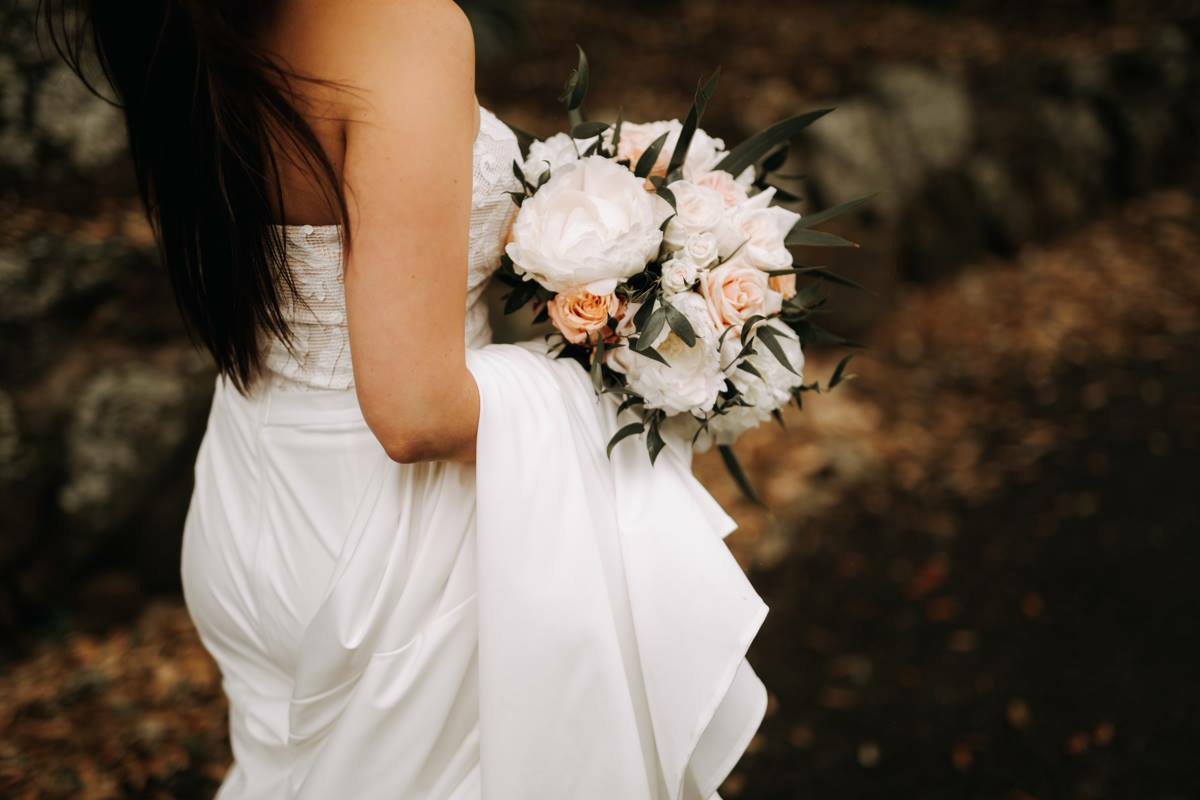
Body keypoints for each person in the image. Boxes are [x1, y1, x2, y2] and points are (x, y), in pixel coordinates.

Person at [47, 1, 767, 796]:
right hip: (396, 546)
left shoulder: (187, 23)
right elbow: (417, 414)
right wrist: (640, 366)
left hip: (250, 501)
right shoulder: (399, 24)